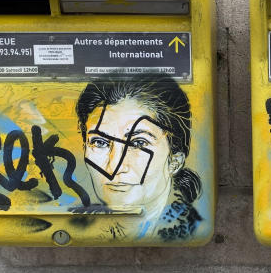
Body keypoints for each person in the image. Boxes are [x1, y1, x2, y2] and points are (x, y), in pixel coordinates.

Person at [75, 75, 202, 240]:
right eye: (100, 142)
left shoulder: (189, 231)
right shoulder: (82, 229)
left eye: (138, 143)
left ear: (175, 161)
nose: (115, 167)